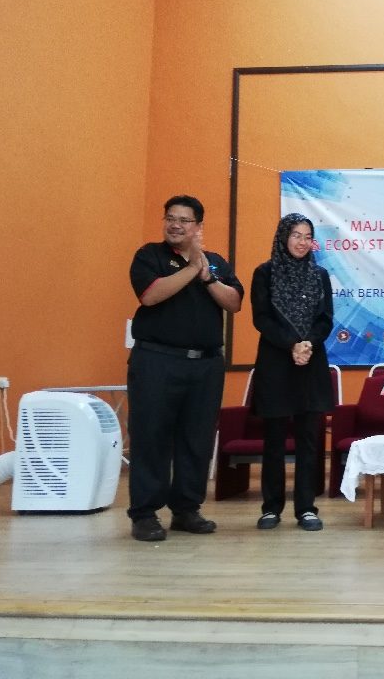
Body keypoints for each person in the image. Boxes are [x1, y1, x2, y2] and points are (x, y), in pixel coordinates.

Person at [127, 195, 243, 542]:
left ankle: (187, 510)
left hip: (205, 365)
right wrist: (192, 267)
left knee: (197, 438)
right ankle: (145, 514)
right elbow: (150, 296)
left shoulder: (216, 263)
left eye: (184, 220)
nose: (175, 225)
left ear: (198, 226)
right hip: (157, 361)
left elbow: (234, 302)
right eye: (170, 218)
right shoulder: (149, 256)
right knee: (151, 437)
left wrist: (207, 277)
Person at [250, 213, 334, 532]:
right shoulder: (265, 273)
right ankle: (271, 508)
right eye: (296, 235)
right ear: (283, 236)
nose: (302, 242)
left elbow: (325, 319)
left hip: (311, 362)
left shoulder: (320, 275)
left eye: (307, 236)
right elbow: (261, 318)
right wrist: (291, 345)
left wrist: (307, 343)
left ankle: (306, 508)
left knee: (309, 440)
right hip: (276, 363)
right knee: (274, 439)